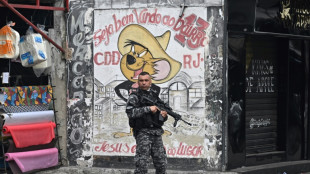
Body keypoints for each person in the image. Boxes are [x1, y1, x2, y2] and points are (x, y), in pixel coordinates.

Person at [126, 71, 168, 174]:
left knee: (161, 163)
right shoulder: (134, 96)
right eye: (141, 80)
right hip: (143, 132)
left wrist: (164, 116)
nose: (144, 83)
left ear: (150, 82)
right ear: (138, 82)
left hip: (156, 132)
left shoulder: (155, 96)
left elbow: (160, 115)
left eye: (146, 80)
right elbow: (130, 112)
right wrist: (148, 109)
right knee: (142, 164)